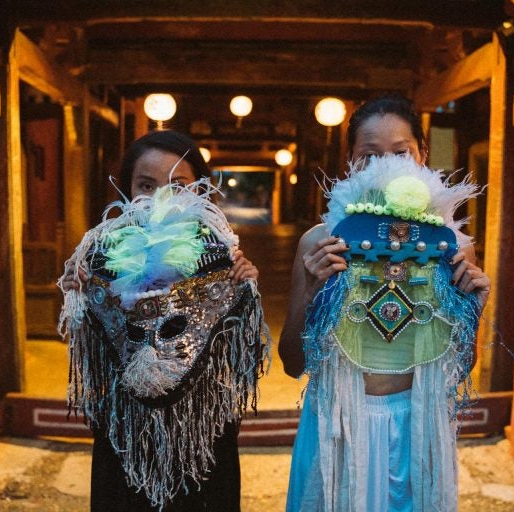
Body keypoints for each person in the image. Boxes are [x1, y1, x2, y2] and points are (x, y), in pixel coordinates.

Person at [280, 94, 491, 511]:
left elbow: (462, 367)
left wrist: (473, 311)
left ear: (422, 156)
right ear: (350, 162)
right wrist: (311, 287)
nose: (386, 166)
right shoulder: (321, 243)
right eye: (370, 155)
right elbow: (292, 363)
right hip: (340, 423)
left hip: (417, 422)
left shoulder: (452, 249)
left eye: (401, 152)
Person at [60, 130, 262, 511]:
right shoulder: (101, 253)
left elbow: (244, 352)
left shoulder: (221, 252)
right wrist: (76, 298)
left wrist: (247, 289)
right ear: (127, 189)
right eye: (146, 185)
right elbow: (84, 344)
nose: (160, 198)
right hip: (126, 427)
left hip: (202, 428)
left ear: (200, 189)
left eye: (178, 185)